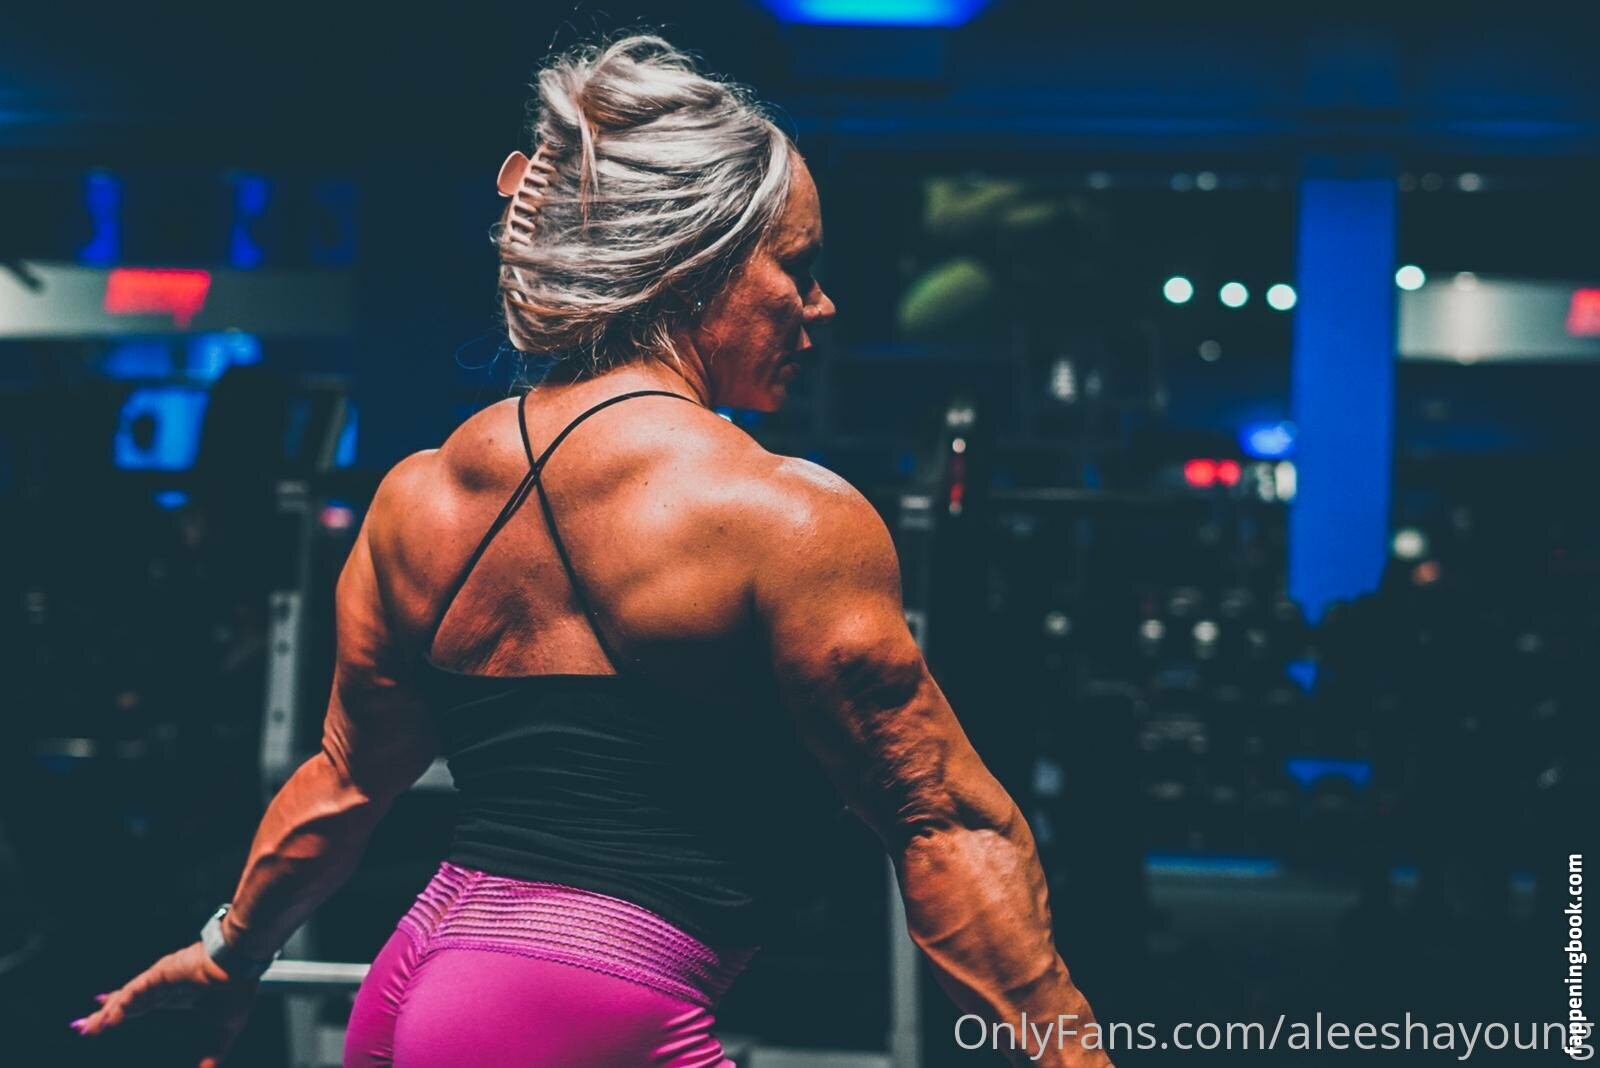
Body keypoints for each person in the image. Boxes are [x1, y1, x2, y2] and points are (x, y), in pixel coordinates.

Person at [71, 34, 1111, 1067]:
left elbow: (346, 781)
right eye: (799, 268)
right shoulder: (784, 516)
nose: (821, 305)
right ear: (699, 264)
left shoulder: (419, 495)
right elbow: (944, 827)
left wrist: (228, 952)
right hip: (575, 1013)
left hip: (411, 987)